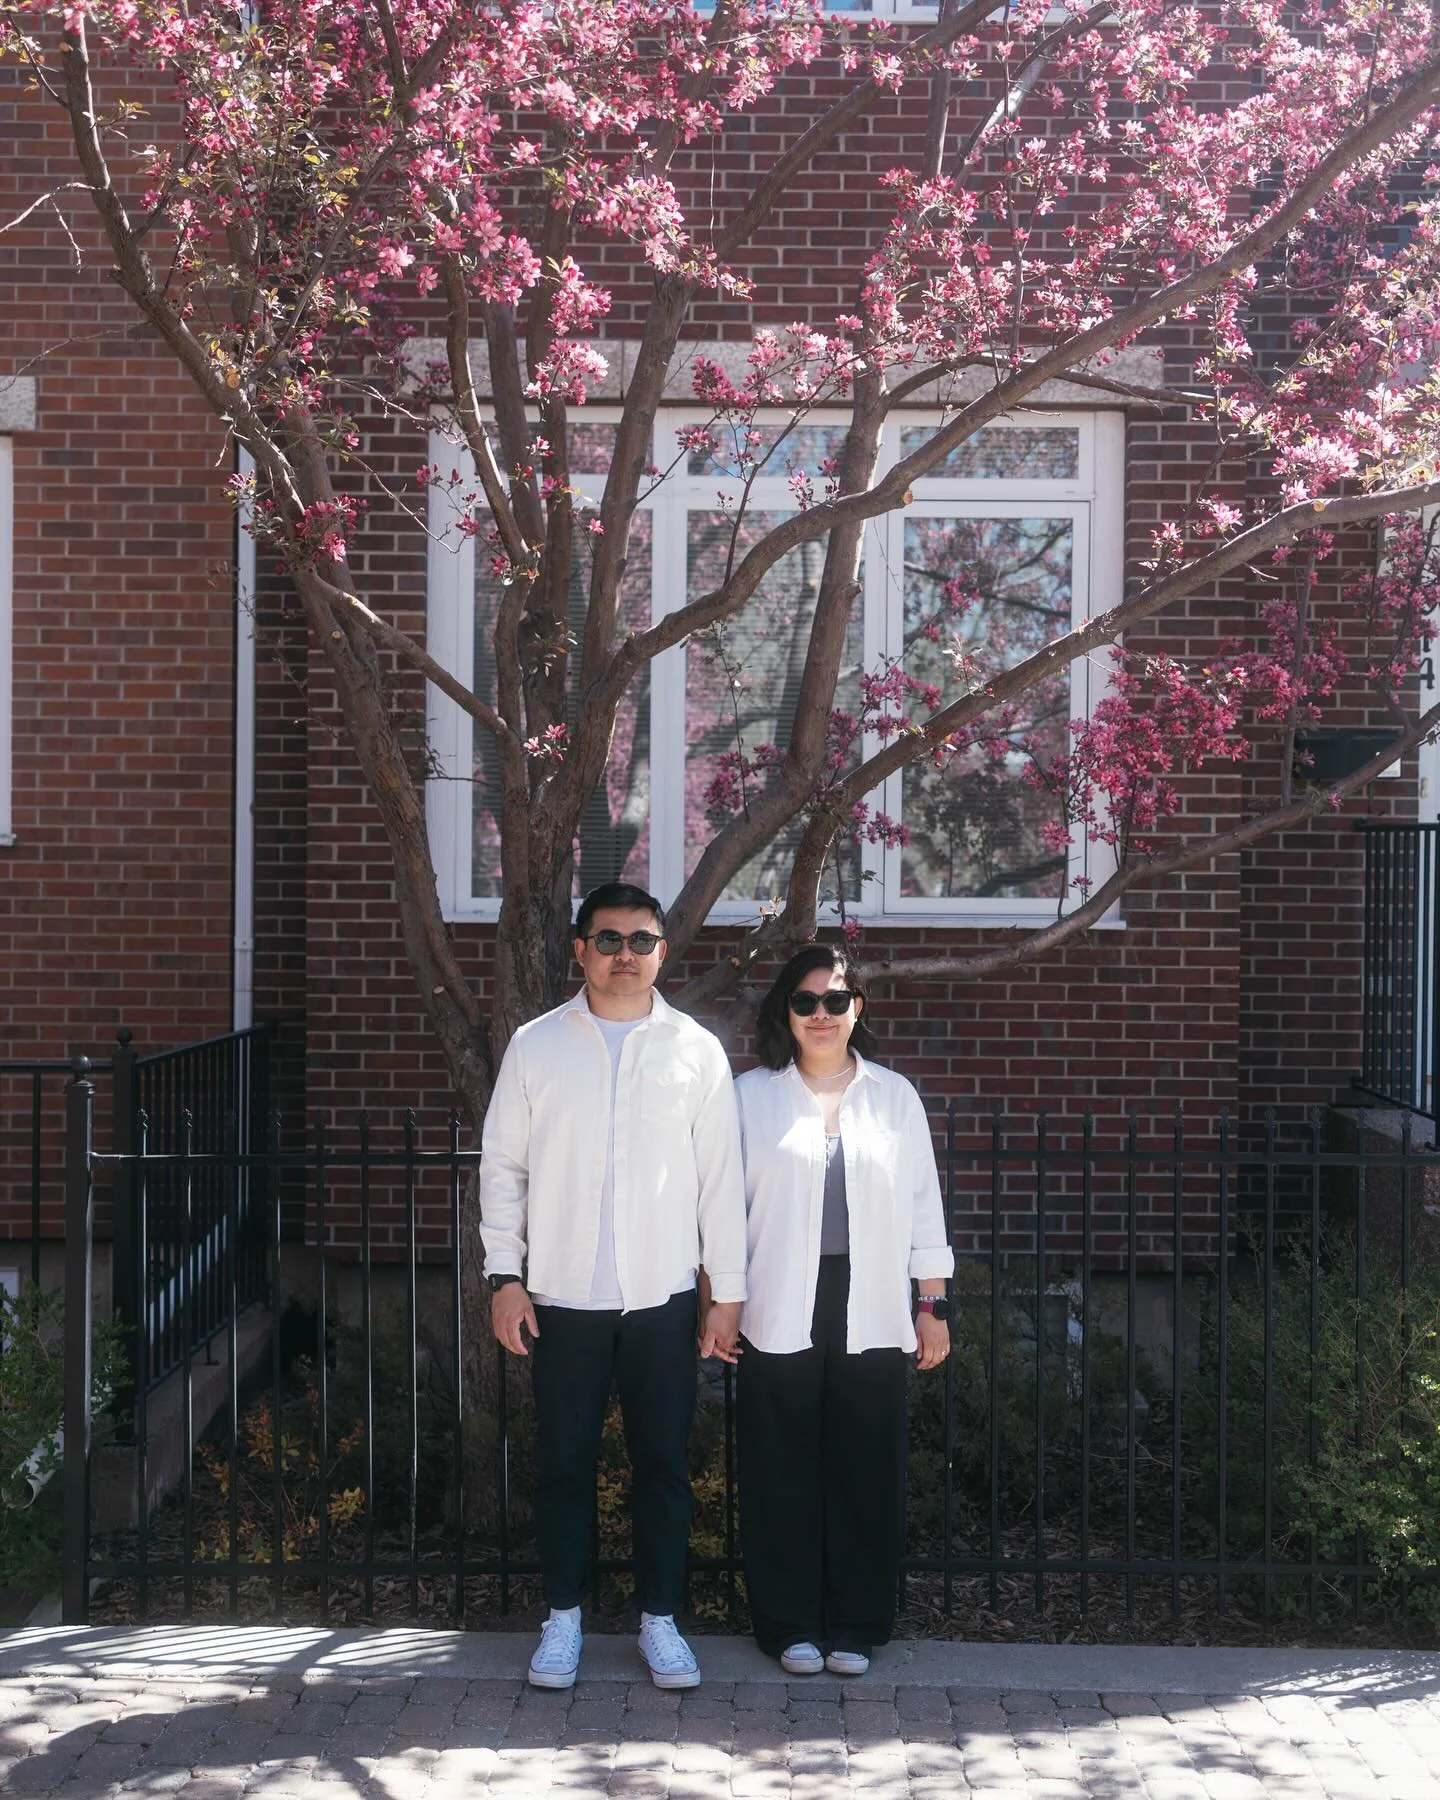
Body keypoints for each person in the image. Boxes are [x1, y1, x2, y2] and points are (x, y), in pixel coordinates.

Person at [479, 882, 747, 1692]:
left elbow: (720, 1182)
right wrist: (505, 1278)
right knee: (563, 1465)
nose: (624, 954)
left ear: (662, 952)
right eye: (607, 940)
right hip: (562, 1299)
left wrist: (724, 1293)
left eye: (640, 940)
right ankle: (562, 1619)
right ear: (578, 950)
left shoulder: (696, 1050)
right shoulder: (535, 1045)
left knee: (662, 1465)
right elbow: (503, 1169)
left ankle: (659, 1621)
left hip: (662, 1300)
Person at [727, 945, 953, 1676]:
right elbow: (720, 1211)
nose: (820, 1014)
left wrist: (933, 1303)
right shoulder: (749, 1097)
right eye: (805, 1001)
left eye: (836, 999)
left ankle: (857, 1624)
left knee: (866, 1465)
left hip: (876, 1300)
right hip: (776, 1297)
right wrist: (720, 1300)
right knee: (778, 1465)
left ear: (859, 1007)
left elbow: (925, 1207)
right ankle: (787, 1624)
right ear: (784, 1011)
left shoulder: (895, 1098)